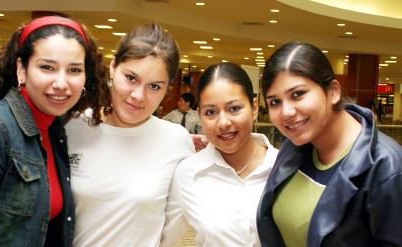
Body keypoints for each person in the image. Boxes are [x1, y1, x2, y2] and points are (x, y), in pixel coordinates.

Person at [0, 16, 104, 246]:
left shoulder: (56, 131)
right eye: (47, 67)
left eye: (74, 70)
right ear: (21, 69)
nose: (62, 83)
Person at [257, 41, 402, 247]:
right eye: (275, 102)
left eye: (298, 94)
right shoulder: (294, 147)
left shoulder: (387, 168)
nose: (286, 112)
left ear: (333, 91)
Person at [65, 23, 195, 246]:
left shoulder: (176, 140)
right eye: (131, 78)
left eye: (154, 86)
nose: (138, 95)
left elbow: (176, 226)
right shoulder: (72, 126)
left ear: (168, 89)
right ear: (114, 66)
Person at [161, 62, 279, 247]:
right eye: (210, 112)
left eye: (234, 108)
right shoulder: (188, 173)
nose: (223, 122)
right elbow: (166, 239)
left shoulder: (285, 166)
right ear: (200, 114)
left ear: (254, 107)